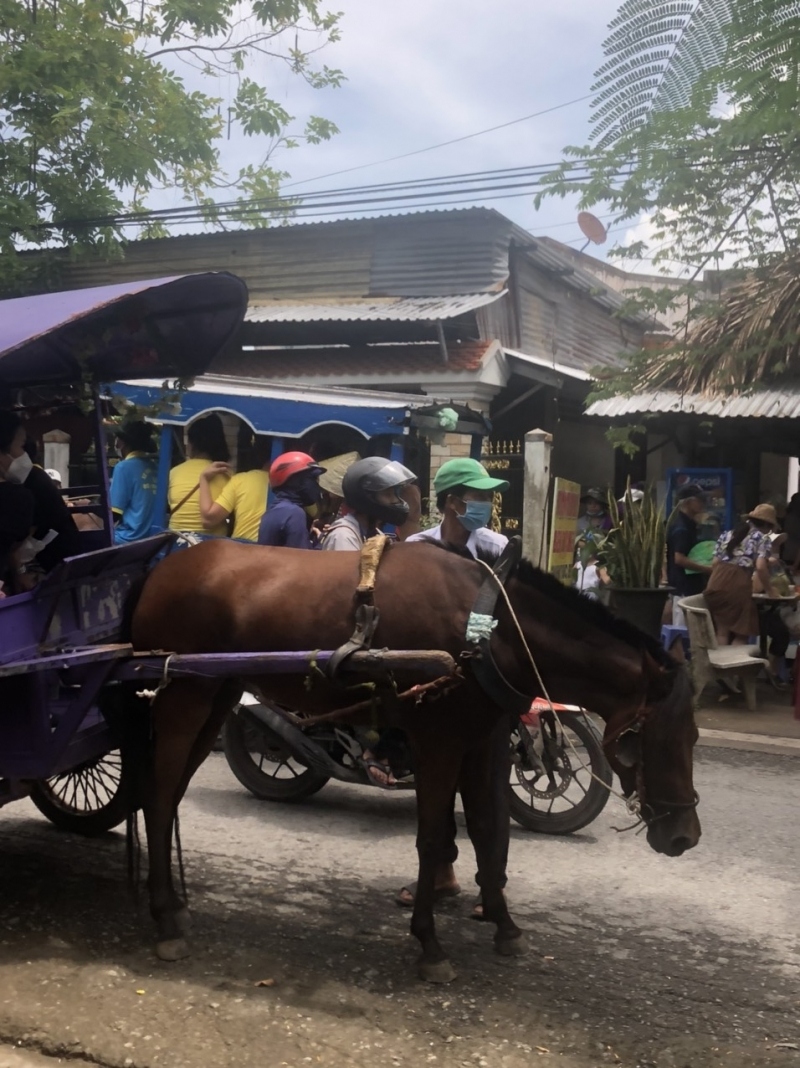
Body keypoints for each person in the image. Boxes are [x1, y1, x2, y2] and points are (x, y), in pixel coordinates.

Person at [398, 456, 510, 910]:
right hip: (435, 688)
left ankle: (493, 888)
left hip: (487, 687)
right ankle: (441, 873)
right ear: (451, 503)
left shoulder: (497, 548)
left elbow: (511, 618)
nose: (484, 503)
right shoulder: (416, 550)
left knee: (489, 791)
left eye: (486, 496)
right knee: (435, 785)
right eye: (477, 496)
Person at [320, 456, 418, 788]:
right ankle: (370, 747)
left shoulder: (373, 532)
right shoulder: (345, 536)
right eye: (390, 496)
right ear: (366, 496)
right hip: (344, 629)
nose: (397, 502)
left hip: (367, 622)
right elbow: (341, 593)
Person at [705, 504, 785, 684]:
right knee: (742, 632)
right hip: (737, 584)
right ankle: (732, 675)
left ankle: (720, 675)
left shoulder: (727, 534)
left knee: (723, 630)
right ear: (768, 526)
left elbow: (716, 562)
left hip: (715, 582)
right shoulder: (760, 538)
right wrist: (771, 590)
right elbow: (760, 568)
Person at [0, 411, 79, 576]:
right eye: (21, 446)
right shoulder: (17, 493)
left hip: (52, 561)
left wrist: (20, 569)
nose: (24, 455)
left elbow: (46, 525)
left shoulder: (33, 481)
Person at [404, 457, 510, 559]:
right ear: (452, 501)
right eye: (480, 496)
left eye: (489, 496)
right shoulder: (416, 546)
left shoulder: (497, 546)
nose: (487, 503)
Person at [321, 456, 416, 552]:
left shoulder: (375, 533)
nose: (395, 500)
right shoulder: (344, 536)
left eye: (395, 494)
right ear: (367, 497)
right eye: (388, 494)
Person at [198, 439, 271, 543]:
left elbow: (209, 520)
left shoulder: (241, 480)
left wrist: (204, 478)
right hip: (273, 553)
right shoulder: (292, 487)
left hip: (241, 550)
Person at [168, 414, 230, 536]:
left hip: (176, 540)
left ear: (192, 443)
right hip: (212, 546)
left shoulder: (173, 472)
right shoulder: (226, 476)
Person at [667, 483, 713, 628]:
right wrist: (707, 569)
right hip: (683, 587)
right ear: (688, 502)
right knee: (683, 629)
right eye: (699, 500)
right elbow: (679, 558)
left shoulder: (690, 525)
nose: (702, 504)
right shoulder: (682, 528)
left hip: (690, 585)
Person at [257, 451, 326, 549]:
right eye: (312, 479)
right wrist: (322, 541)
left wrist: (311, 538)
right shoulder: (294, 513)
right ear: (295, 481)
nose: (316, 485)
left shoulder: (275, 510)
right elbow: (301, 559)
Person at [109, 421, 158, 544]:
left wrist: (90, 506)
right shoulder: (156, 467)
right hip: (152, 536)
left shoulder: (123, 467)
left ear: (122, 443)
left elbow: (114, 513)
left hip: (128, 537)